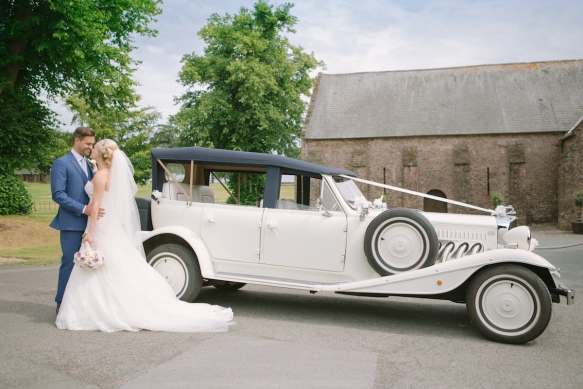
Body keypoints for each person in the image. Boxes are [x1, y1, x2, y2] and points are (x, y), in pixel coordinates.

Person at [56, 139, 234, 332]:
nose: (91, 149)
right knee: (112, 266)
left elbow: (96, 206)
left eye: (94, 146)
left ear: (99, 154)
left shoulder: (100, 176)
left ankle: (100, 309)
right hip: (110, 224)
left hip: (100, 225)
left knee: (103, 266)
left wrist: (89, 233)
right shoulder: (108, 174)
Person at [50, 127, 100, 315]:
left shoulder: (89, 164)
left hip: (90, 224)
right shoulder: (61, 163)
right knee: (70, 263)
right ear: (76, 141)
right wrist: (83, 209)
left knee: (89, 265)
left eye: (92, 143)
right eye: (88, 143)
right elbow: (58, 194)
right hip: (71, 222)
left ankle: (82, 305)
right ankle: (61, 304)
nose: (90, 147)